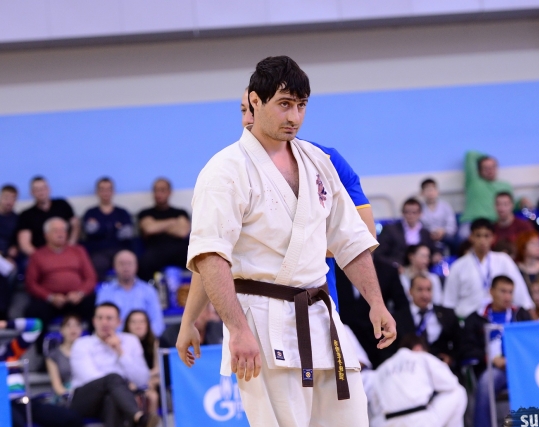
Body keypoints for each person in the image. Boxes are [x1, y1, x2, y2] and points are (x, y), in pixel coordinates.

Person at [176, 56, 395, 426]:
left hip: (321, 316)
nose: (294, 116)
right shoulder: (225, 170)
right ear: (255, 102)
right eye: (284, 104)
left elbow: (350, 239)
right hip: (261, 322)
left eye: (301, 105)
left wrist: (376, 302)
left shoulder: (318, 162)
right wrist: (235, 329)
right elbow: (210, 257)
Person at [69, 302, 157, 427]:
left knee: (112, 399)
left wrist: (120, 351)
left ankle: (138, 417)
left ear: (119, 322)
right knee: (113, 379)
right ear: (94, 321)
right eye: (100, 318)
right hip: (85, 399)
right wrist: (122, 384)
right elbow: (89, 377)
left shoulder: (130, 341)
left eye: (109, 318)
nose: (104, 322)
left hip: (115, 399)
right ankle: (138, 417)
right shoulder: (81, 344)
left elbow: (142, 379)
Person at [461, 275, 532, 427]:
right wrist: (490, 359)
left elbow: (532, 342)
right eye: (503, 291)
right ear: (491, 291)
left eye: (510, 292)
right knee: (486, 383)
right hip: (493, 368)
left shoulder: (520, 314)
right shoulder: (476, 318)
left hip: (522, 367)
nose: (507, 297)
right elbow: (467, 349)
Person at [25, 217, 97, 353]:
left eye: (63, 230)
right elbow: (31, 283)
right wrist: (50, 297)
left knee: (96, 307)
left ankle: (95, 349)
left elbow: (91, 278)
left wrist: (80, 293)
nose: (61, 233)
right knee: (34, 311)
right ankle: (41, 354)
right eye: (56, 230)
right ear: (46, 235)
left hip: (76, 299)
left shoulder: (78, 251)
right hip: (51, 301)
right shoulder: (38, 255)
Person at [443, 218, 534, 319]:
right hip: (468, 320)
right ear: (471, 237)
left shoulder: (503, 260)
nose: (482, 240)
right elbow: (449, 303)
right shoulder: (458, 266)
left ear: (493, 238)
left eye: (486, 236)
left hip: (501, 318)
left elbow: (521, 295)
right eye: (478, 235)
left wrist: (529, 312)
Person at [368, 335, 466, 427]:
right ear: (418, 348)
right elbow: (450, 383)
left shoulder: (381, 369)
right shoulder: (422, 357)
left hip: (385, 422)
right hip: (418, 421)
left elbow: (374, 406)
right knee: (458, 391)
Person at [1, 317, 83, 427]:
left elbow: (36, 326)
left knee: (72, 418)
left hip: (24, 402)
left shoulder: (9, 351)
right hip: (3, 405)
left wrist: (5, 324)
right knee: (16, 423)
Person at [395, 274, 461, 370]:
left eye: (428, 290)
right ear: (410, 291)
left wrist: (451, 358)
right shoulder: (398, 317)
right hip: (408, 369)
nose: (425, 295)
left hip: (441, 367)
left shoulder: (447, 314)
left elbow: (460, 342)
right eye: (420, 290)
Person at [96, 250, 165, 336]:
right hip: (114, 340)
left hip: (143, 339)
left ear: (136, 266)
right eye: (121, 264)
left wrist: (147, 339)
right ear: (114, 267)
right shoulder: (104, 292)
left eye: (129, 263)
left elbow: (157, 323)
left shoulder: (149, 291)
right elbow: (100, 322)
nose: (126, 267)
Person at [137, 178, 191, 281]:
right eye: (156, 190)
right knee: (143, 263)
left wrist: (158, 226)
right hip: (155, 252)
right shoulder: (145, 213)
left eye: (162, 190)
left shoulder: (181, 212)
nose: (158, 194)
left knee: (200, 259)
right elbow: (149, 229)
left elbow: (183, 232)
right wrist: (173, 222)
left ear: (169, 192)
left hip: (179, 252)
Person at [82, 177, 134, 280]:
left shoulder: (122, 213)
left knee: (126, 261)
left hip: (120, 250)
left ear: (113, 191)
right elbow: (90, 231)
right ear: (97, 192)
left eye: (108, 189)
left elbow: (127, 234)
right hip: (98, 252)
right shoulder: (90, 213)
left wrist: (100, 228)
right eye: (102, 189)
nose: (105, 192)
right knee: (98, 263)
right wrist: (115, 227)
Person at [16, 176, 79, 256]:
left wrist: (70, 246)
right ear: (31, 192)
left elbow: (76, 226)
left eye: (43, 188)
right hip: (39, 255)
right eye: (37, 189)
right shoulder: (26, 215)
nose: (41, 192)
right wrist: (41, 258)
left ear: (49, 189)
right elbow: (25, 244)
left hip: (67, 252)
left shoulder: (62, 205)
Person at [458, 152, 513, 239]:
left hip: (494, 223)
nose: (490, 170)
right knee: (464, 237)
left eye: (492, 167)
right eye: (486, 168)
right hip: (471, 222)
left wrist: (521, 201)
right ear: (479, 170)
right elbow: (470, 155)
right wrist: (487, 157)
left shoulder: (505, 186)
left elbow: (511, 205)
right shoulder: (473, 182)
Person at [375, 198, 437, 269]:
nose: (410, 215)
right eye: (407, 212)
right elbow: (379, 254)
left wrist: (436, 255)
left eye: (414, 212)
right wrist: (395, 265)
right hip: (397, 269)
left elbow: (433, 250)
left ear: (420, 214)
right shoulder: (390, 230)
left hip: (421, 269)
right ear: (402, 213)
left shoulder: (425, 233)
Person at [124, 310, 160, 418]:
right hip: (129, 382)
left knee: (153, 395)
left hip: (150, 382)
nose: (138, 325)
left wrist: (143, 379)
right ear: (127, 325)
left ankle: (151, 422)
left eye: (142, 322)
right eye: (133, 322)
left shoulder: (155, 343)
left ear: (147, 324)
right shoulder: (122, 344)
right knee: (133, 394)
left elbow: (157, 369)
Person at [45, 314, 83, 397]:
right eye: (68, 325)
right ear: (61, 330)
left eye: (77, 325)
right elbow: (57, 387)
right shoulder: (53, 355)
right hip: (65, 395)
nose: (73, 329)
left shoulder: (88, 351)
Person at [420, 178, 458, 255]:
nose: (430, 193)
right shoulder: (419, 209)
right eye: (427, 190)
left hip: (446, 236)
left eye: (432, 190)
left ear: (437, 191)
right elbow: (418, 227)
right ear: (422, 193)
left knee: (454, 241)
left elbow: (452, 225)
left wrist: (443, 231)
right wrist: (429, 234)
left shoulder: (446, 206)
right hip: (427, 237)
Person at [493, 192, 534, 257]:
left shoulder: (524, 226)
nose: (501, 208)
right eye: (498, 204)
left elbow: (533, 248)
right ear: (494, 206)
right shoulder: (491, 229)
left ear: (512, 205)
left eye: (505, 204)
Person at [0, 184, 19, 320]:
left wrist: (15, 248)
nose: (9, 201)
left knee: (10, 271)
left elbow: (17, 241)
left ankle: (4, 312)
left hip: (6, 258)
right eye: (6, 197)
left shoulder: (16, 219)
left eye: (13, 198)